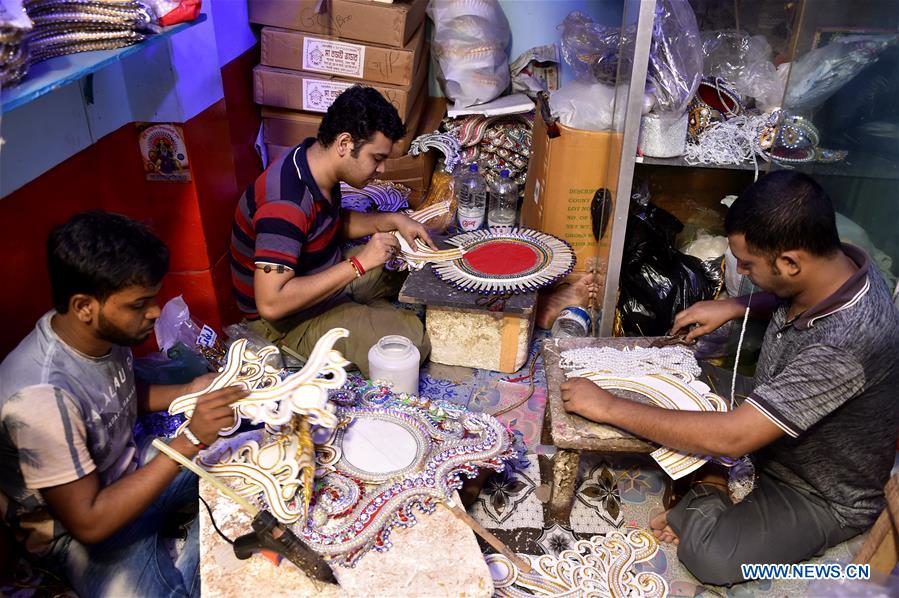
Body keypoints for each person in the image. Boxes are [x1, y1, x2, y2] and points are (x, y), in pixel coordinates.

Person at [561, 171, 899, 585]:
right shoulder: (839, 261)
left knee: (712, 556)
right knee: (669, 369)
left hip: (815, 489)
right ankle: (709, 468)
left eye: (748, 264)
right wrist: (736, 306)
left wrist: (609, 407)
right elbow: (792, 291)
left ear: (791, 263)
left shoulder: (848, 342)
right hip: (772, 406)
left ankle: (711, 481)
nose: (739, 269)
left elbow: (734, 438)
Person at [0, 211, 245, 597]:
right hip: (81, 531)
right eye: (139, 304)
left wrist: (190, 390)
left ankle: (194, 546)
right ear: (84, 306)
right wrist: (190, 441)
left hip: (129, 467)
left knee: (246, 457)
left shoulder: (93, 331)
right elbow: (89, 522)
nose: (155, 312)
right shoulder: (40, 399)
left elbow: (119, 396)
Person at [230, 85, 435, 376]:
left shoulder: (312, 159)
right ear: (344, 143)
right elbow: (271, 304)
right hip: (287, 321)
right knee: (411, 344)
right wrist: (359, 264)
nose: (381, 169)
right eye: (377, 158)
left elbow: (327, 224)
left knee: (406, 262)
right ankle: (356, 319)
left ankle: (363, 312)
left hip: (321, 271)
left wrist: (393, 220)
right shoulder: (285, 204)